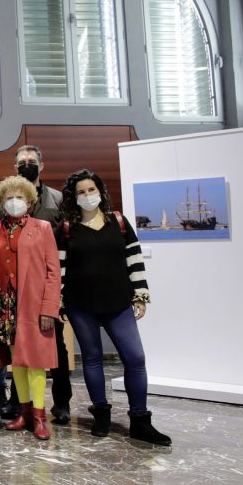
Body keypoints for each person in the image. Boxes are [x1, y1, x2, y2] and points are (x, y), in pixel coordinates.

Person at [58, 170, 170, 446]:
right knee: (93, 359)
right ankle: (101, 416)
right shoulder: (66, 228)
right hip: (80, 304)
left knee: (135, 358)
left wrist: (140, 295)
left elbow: (134, 259)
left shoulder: (118, 222)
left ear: (100, 191)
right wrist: (59, 299)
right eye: (81, 192)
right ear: (74, 197)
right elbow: (59, 268)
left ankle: (140, 421)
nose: (87, 196)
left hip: (119, 302)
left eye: (91, 190)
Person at [0, 145, 71, 424]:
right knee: (19, 357)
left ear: (42, 165)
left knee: (51, 351)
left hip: (43, 296)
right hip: (9, 302)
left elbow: (58, 257)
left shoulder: (56, 201)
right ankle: (22, 407)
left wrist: (54, 301)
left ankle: (59, 404)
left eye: (32, 161)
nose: (27, 165)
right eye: (22, 162)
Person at [0, 176, 60, 441]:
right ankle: (24, 413)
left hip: (33, 306)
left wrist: (49, 308)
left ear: (29, 200)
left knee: (35, 362)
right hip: (5, 305)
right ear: (2, 202)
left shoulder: (43, 227)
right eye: (9, 198)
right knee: (18, 363)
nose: (14, 202)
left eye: (19, 197)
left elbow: (53, 271)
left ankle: (39, 416)